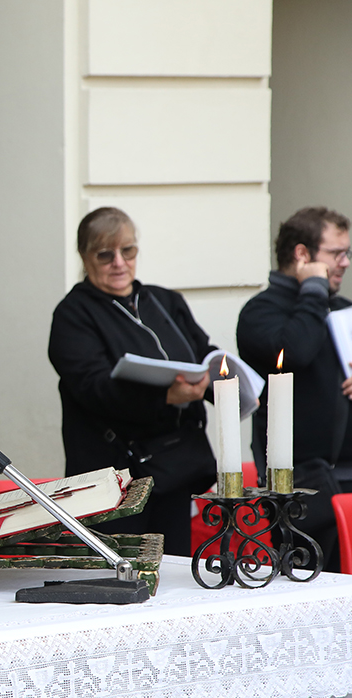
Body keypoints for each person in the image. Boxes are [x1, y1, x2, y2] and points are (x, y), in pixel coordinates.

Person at [47, 207, 218, 556]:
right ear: (84, 256)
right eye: (105, 254)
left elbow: (202, 353)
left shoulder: (164, 301)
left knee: (173, 571)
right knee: (125, 574)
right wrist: (166, 397)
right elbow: (93, 387)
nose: (119, 263)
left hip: (175, 469)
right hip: (115, 482)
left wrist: (230, 385)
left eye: (128, 251)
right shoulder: (73, 314)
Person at [237, 206, 352, 570]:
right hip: (303, 484)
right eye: (336, 253)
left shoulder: (343, 309)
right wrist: (315, 288)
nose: (345, 262)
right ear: (302, 255)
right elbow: (297, 350)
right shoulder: (260, 313)